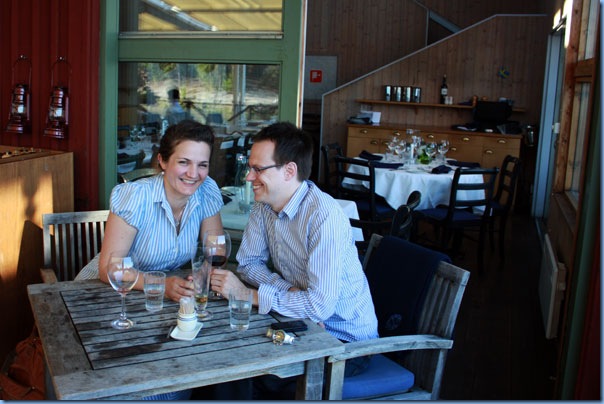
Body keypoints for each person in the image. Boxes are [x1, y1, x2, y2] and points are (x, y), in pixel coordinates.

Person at [210, 121, 378, 399]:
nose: (248, 177)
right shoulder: (264, 204)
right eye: (249, 167)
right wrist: (288, 291)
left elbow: (320, 307)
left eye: (258, 169)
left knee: (249, 375)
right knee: (226, 355)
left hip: (344, 342)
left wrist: (248, 295)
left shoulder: (323, 216)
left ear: (289, 171)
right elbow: (248, 264)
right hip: (300, 322)